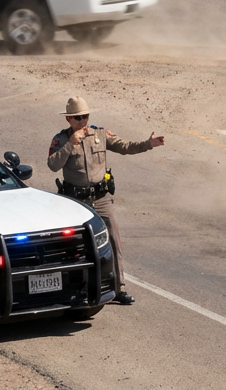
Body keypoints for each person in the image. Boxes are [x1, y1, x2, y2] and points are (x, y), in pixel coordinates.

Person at [48, 97, 164, 305]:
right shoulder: (61, 140)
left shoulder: (99, 134)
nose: (83, 121)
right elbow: (52, 165)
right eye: (78, 118)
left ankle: (118, 288)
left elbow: (125, 146)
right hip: (76, 201)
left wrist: (149, 144)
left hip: (101, 199)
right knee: (74, 245)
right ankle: (74, 287)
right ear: (68, 119)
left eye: (85, 116)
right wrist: (70, 145)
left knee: (113, 240)